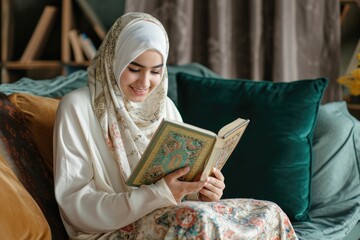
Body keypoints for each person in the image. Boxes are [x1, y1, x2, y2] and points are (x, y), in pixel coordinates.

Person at [54, 12, 298, 239]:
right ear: (113, 60)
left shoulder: (163, 106)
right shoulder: (77, 106)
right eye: (134, 69)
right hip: (109, 230)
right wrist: (158, 194)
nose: (145, 82)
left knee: (268, 212)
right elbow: (75, 203)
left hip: (169, 214)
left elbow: (175, 187)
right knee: (196, 218)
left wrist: (200, 191)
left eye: (155, 71)